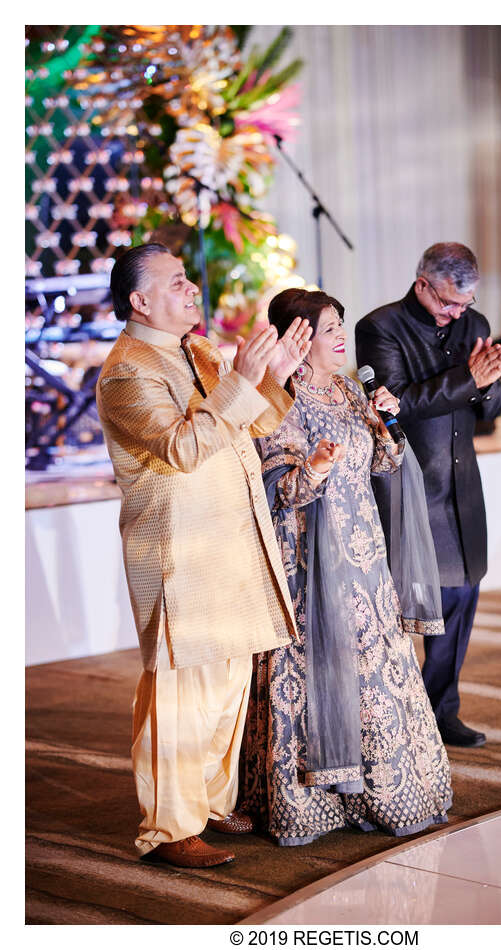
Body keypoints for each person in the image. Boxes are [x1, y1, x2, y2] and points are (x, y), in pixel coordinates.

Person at [96, 243, 312, 868]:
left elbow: (256, 424)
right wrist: (244, 380)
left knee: (227, 679)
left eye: (188, 280)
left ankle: (210, 802)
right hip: (177, 548)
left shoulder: (197, 350)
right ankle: (168, 828)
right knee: (180, 690)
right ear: (139, 301)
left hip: (229, 536)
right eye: (176, 283)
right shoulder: (127, 372)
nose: (192, 290)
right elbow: (185, 448)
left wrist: (275, 375)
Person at [241, 288, 452, 846]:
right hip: (309, 560)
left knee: (376, 666)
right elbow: (277, 491)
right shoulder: (278, 401)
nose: (341, 337)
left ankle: (383, 788)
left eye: (340, 325)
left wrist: (389, 421)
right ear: (299, 339)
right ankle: (312, 803)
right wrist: (312, 467)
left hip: (365, 554)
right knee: (320, 666)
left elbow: (385, 462)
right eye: (329, 328)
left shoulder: (350, 389)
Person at [355, 243, 501, 748]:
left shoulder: (474, 324)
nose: (458, 313)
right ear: (422, 284)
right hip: (408, 480)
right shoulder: (379, 327)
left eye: (466, 304)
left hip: (460, 483)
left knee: (463, 596)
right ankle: (396, 717)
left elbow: (492, 408)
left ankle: (441, 710)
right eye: (449, 303)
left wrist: (488, 387)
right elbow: (394, 407)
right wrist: (470, 378)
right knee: (406, 604)